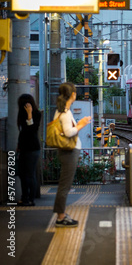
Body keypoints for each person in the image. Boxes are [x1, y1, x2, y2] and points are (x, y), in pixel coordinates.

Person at [53, 83, 92, 228]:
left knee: (65, 185)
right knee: (65, 185)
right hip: (69, 152)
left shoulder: (61, 111)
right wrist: (81, 124)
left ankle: (61, 214)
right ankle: (60, 217)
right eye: (75, 93)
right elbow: (69, 132)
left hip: (68, 151)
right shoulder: (65, 112)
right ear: (72, 95)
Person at [17, 94, 42, 206]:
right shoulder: (21, 114)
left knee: (30, 174)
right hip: (23, 148)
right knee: (23, 174)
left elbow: (32, 129)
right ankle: (24, 197)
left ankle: (30, 199)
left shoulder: (36, 114)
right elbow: (23, 132)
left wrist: (29, 114)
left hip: (32, 149)